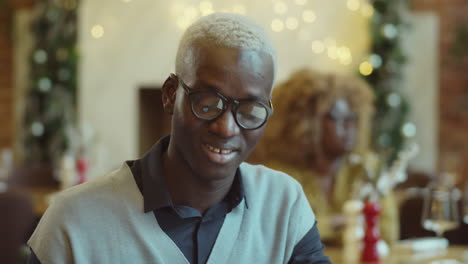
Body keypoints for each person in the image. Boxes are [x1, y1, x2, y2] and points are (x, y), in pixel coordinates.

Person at [27, 13, 331, 263]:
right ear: (171, 95)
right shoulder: (73, 223)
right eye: (208, 102)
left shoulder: (283, 204)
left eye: (250, 110)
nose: (226, 128)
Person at [252, 68, 399, 245]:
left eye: (352, 117)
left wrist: (326, 226)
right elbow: (281, 234)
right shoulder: (280, 174)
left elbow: (388, 233)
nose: (349, 126)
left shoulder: (367, 168)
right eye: (337, 117)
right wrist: (342, 223)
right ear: (305, 121)